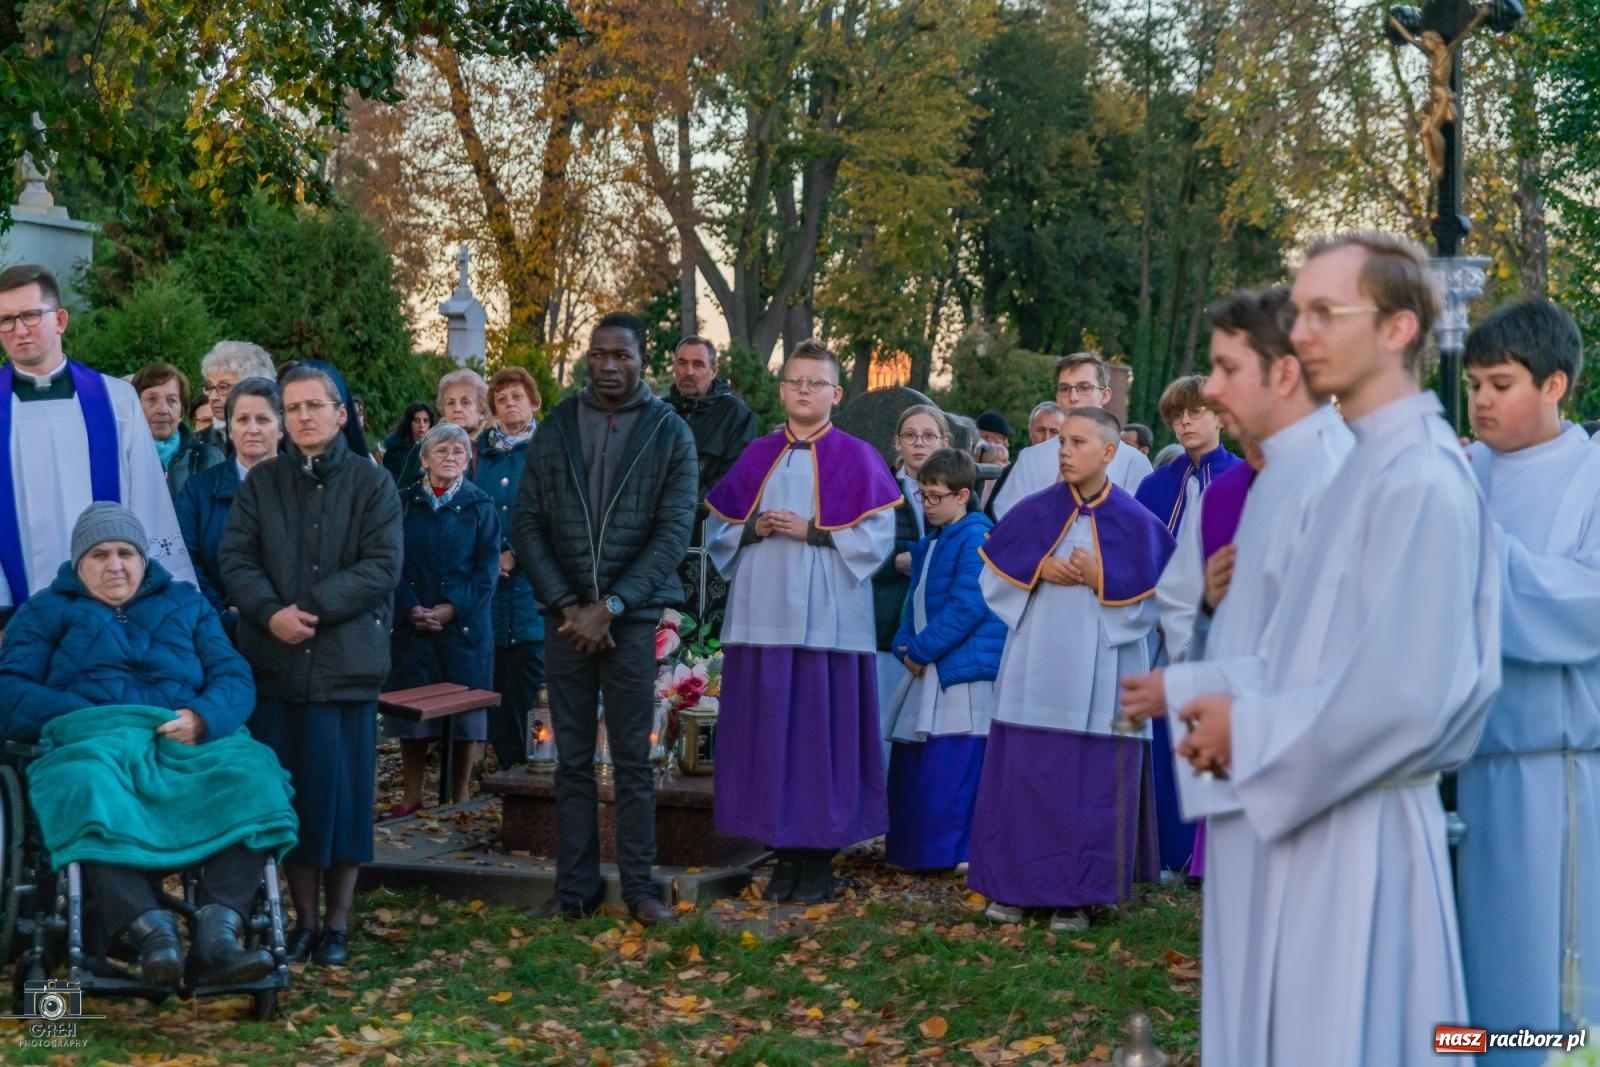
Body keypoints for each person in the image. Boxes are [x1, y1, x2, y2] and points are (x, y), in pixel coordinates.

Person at [1172, 231, 1500, 1066]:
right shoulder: (1359, 467)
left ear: (1395, 330)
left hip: (1365, 833)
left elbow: (1406, 697)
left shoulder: (1420, 478)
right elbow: (1306, 655)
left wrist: (1251, 728)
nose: (1303, 331)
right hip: (1316, 808)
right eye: (1300, 309)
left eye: (1325, 311)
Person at [1119, 285, 1354, 1065]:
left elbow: (1340, 660)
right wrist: (1194, 663)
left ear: (1283, 373)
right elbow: (1208, 608)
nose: (1208, 393)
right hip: (1250, 775)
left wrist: (1195, 691)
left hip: (1314, 792)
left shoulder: (1338, 476)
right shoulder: (1253, 483)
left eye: (1225, 369)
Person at [0, 503, 293, 987]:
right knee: (83, 785)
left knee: (256, 777)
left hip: (186, 742)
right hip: (95, 744)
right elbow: (10, 689)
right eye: (99, 554)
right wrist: (81, 716)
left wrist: (204, 718)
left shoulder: (187, 603)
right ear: (78, 563)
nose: (114, 564)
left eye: (124, 552)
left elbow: (232, 674)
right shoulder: (46, 610)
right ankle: (152, 934)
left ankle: (218, 936)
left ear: (142, 558)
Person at [511, 312, 697, 927]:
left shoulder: (670, 433)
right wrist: (571, 607)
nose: (608, 366)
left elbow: (672, 534)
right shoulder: (559, 425)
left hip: (631, 618)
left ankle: (640, 890)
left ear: (646, 360)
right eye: (598, 355)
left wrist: (612, 606)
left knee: (633, 759)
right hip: (565, 620)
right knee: (568, 759)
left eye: (621, 355)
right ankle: (575, 892)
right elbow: (528, 523)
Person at [219, 363, 403, 968]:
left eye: (314, 406)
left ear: (340, 413)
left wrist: (312, 609)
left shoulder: (372, 485)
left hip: (346, 666)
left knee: (344, 802)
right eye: (292, 408)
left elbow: (381, 566)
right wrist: (269, 613)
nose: (302, 417)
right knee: (291, 799)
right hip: (277, 665)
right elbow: (237, 557)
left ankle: (339, 923)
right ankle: (299, 920)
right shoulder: (262, 484)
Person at [706, 339, 900, 904]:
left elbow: (876, 541)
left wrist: (812, 529)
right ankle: (783, 856)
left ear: (836, 394)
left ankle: (816, 860)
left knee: (821, 740)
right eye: (795, 381)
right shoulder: (756, 453)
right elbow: (717, 532)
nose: (804, 390)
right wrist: (752, 528)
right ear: (783, 389)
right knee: (770, 739)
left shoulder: (859, 457)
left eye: (816, 382)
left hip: (828, 623)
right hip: (762, 616)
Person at [1456, 298, 1600, 1056]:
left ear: (1555, 386)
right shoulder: (1460, 468)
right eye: (1475, 382)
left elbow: (1585, 605)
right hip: (1461, 771)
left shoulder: (1591, 472)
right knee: (1469, 985)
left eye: (1501, 382)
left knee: (1551, 988)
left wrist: (1471, 538)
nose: (1480, 399)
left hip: (1557, 778)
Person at [969, 407, 1172, 931]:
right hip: (1034, 669)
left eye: (1078, 442)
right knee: (1024, 778)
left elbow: (1159, 605)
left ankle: (1076, 896)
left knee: (1090, 786)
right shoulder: (1033, 511)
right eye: (1061, 441)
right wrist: (1035, 569)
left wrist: (1104, 577)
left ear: (1109, 453)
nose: (1064, 451)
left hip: (1100, 674)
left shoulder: (1137, 523)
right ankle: (1012, 888)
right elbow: (993, 582)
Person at [0, 264, 196, 626]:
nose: (19, 329)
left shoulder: (116, 401)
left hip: (115, 610)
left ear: (59, 320)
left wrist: (166, 602)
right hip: (16, 615)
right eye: (6, 320)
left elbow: (148, 501)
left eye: (30, 315)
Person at [1133, 374, 1243, 874]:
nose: (1184, 423)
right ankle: (1163, 850)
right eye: (1177, 417)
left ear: (1221, 414)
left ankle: (1205, 855)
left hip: (1219, 623)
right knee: (1160, 735)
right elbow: (1137, 552)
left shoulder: (1242, 478)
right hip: (1153, 625)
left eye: (1195, 412)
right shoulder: (1155, 485)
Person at [885, 448, 1005, 871]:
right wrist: (904, 643)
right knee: (916, 761)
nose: (928, 505)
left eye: (936, 496)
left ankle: (949, 853)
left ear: (963, 495)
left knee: (950, 767)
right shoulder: (935, 540)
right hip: (930, 663)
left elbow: (968, 606)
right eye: (923, 495)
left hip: (961, 671)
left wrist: (919, 649)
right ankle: (912, 849)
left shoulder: (974, 536)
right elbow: (914, 599)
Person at [381, 423, 501, 814]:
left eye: (459, 452)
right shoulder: (401, 502)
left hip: (464, 628)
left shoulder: (482, 507)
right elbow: (388, 562)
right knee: (411, 713)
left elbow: (486, 572)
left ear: (469, 461)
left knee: (465, 716)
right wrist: (410, 606)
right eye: (443, 450)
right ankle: (412, 794)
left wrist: (450, 608)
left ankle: (459, 794)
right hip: (412, 624)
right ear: (424, 458)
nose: (451, 457)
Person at [475, 368, 545, 770]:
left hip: (531, 585)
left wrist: (515, 552)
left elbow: (553, 509)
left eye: (517, 396)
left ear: (533, 402)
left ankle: (537, 762)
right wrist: (489, 555)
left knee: (530, 677)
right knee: (496, 677)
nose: (510, 404)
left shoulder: (549, 447)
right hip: (489, 586)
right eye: (501, 399)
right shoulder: (478, 451)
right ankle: (506, 767)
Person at [873, 405, 948, 766]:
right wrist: (894, 563)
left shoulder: (962, 491)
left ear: (943, 442)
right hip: (887, 622)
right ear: (897, 443)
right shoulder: (879, 487)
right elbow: (857, 548)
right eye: (910, 435)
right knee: (881, 728)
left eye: (929, 435)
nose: (919, 443)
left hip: (937, 627)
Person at [176, 377, 284, 628]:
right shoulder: (198, 490)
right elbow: (187, 561)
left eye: (263, 419)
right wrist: (224, 613)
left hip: (292, 628)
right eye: (243, 419)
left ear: (281, 427)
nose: (252, 429)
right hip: (221, 630)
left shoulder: (306, 487)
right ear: (231, 429)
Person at [989, 353, 1152, 519]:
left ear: (1105, 395)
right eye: (1065, 388)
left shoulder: (1133, 461)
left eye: (1084, 387)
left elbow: (1141, 526)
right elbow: (1007, 518)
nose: (1073, 397)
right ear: (1057, 396)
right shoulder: (1030, 459)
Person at [665, 336, 761, 500]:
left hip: (708, 516)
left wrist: (691, 504)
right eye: (682, 363)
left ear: (714, 371)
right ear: (674, 367)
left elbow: (736, 474)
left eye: (698, 364)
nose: (689, 371)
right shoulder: (660, 412)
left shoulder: (735, 414)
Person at [132, 363, 226, 500]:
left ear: (181, 412)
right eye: (152, 399)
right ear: (134, 406)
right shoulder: (119, 460)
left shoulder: (209, 458)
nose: (163, 409)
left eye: (172, 400)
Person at [397, 369, 488, 486]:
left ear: (481, 410)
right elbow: (402, 498)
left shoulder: (492, 450)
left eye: (465, 402)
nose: (457, 409)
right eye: (450, 403)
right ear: (443, 410)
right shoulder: (422, 448)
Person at [983, 401, 1064, 518]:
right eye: (1040, 430)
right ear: (1030, 431)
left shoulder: (1072, 472)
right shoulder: (1010, 473)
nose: (1047, 438)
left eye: (1054, 432)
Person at [197, 341, 277, 453]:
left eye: (223, 387)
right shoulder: (194, 447)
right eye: (210, 387)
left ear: (254, 387)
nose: (213, 397)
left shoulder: (291, 441)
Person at [383, 402, 435, 485]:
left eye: (425, 421)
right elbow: (394, 483)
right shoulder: (396, 449)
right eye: (416, 420)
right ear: (409, 423)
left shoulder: (436, 447)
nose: (421, 425)